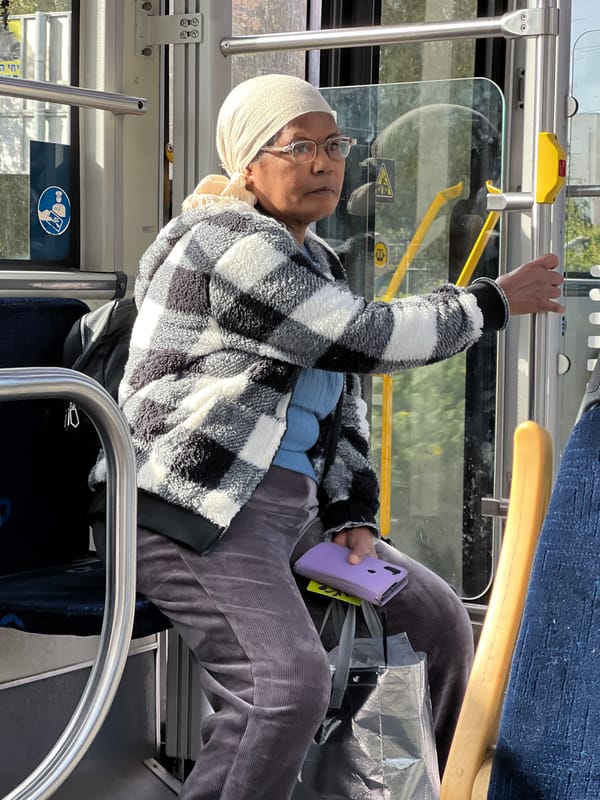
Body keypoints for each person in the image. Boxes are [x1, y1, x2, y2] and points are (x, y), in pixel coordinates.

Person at [91, 74, 564, 800]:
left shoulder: (317, 260)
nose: (323, 163)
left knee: (436, 622)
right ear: (249, 165)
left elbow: (343, 406)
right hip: (191, 508)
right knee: (283, 685)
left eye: (335, 146)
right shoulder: (227, 241)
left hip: (293, 513)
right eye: (299, 147)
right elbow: (365, 337)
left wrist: (350, 513)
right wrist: (493, 302)